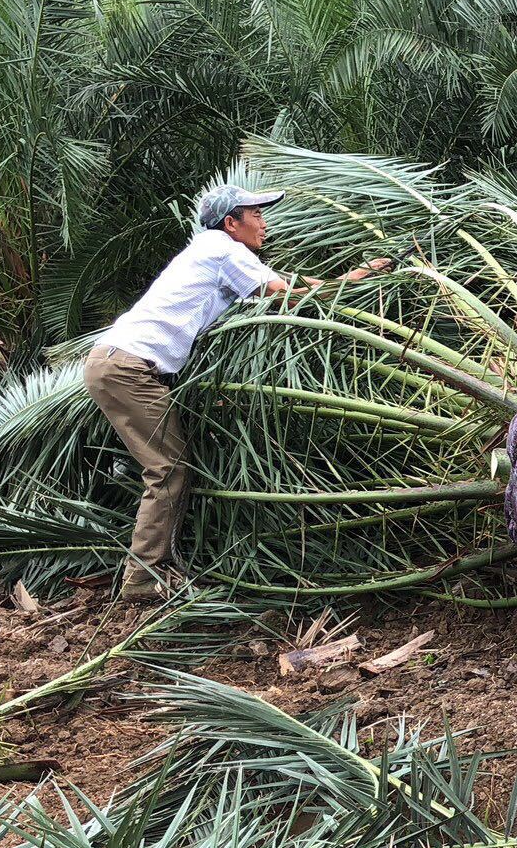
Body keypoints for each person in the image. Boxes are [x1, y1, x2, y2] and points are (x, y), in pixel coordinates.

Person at [83, 184, 390, 601]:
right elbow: (284, 297)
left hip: (119, 363)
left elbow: (284, 284)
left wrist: (347, 279)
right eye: (256, 215)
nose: (264, 223)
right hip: (128, 368)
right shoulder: (223, 249)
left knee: (169, 465)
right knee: (167, 470)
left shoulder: (210, 251)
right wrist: (354, 281)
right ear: (232, 223)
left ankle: (159, 566)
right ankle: (141, 578)